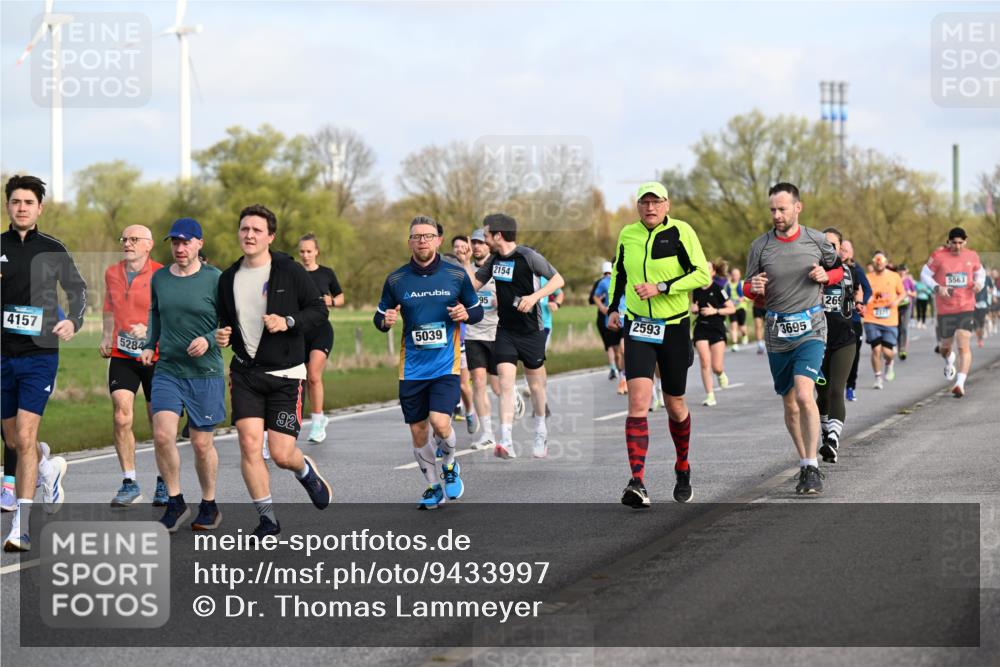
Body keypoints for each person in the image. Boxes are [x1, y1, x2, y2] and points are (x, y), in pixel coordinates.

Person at [215, 205, 333, 536]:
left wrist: (288, 321)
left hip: (286, 375)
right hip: (245, 374)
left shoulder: (289, 271)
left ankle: (304, 469)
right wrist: (222, 334)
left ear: (270, 236)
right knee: (249, 445)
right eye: (244, 229)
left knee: (281, 455)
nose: (249, 235)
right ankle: (267, 519)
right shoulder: (228, 278)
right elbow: (225, 321)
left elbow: (318, 310)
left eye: (256, 230)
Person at [608, 182, 710, 508]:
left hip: (674, 327)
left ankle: (682, 465)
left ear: (667, 205)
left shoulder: (681, 231)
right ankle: (637, 481)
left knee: (674, 403)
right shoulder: (628, 234)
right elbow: (619, 274)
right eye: (645, 202)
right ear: (638, 206)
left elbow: (702, 275)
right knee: (638, 402)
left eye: (656, 202)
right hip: (638, 326)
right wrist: (613, 308)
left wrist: (663, 287)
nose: (650, 208)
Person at [1, 175, 86, 552]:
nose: (22, 208)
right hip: (3, 356)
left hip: (39, 355)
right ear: (8, 206)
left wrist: (74, 321)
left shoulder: (53, 248)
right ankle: (47, 470)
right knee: (13, 440)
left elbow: (78, 290)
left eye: (28, 202)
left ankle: (21, 526)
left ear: (40, 208)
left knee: (24, 436)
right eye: (15, 201)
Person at [375, 216, 483, 508]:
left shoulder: (456, 275)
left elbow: (476, 311)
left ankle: (449, 464)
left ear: (438, 240)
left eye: (428, 236)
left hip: (445, 365)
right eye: (416, 236)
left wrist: (466, 314)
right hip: (411, 368)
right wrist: (385, 321)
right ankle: (433, 487)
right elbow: (379, 316)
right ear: (409, 241)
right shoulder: (396, 280)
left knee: (440, 422)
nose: (422, 241)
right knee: (418, 430)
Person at [744, 183, 843, 496]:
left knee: (804, 394)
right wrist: (752, 288)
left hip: (811, 327)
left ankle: (812, 466)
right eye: (772, 210)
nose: (776, 215)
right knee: (789, 402)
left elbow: (839, 270)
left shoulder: (817, 240)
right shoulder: (760, 246)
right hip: (777, 331)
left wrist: (827, 276)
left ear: (797, 208)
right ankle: (804, 460)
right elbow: (746, 287)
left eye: (782, 209)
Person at [139, 218, 225, 533]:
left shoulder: (215, 278)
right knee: (163, 435)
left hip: (205, 372)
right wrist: (149, 345)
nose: (179, 248)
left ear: (199, 243)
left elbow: (229, 323)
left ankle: (209, 503)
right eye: (175, 242)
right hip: (168, 369)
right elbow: (155, 314)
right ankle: (175, 502)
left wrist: (209, 338)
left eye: (186, 242)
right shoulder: (160, 278)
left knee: (201, 444)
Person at [469, 214, 564, 459]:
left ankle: (540, 431)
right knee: (505, 382)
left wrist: (534, 298)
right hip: (505, 330)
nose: (484, 240)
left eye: (486, 235)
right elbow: (473, 285)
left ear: (498, 235)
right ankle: (506, 440)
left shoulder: (528, 256)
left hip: (532, 331)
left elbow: (558, 280)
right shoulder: (493, 260)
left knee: (536, 386)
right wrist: (461, 265)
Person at [100, 225, 168, 507]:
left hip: (156, 356)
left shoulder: (162, 274)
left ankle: (165, 482)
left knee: (159, 423)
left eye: (134, 239)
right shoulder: (112, 273)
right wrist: (106, 335)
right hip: (123, 353)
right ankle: (129, 482)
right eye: (124, 239)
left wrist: (150, 330)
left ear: (148, 245)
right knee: (121, 415)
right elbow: (109, 307)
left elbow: (172, 313)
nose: (127, 243)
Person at [921, 227, 986, 397]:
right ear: (948, 242)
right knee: (945, 347)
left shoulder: (972, 255)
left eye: (960, 243)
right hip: (945, 308)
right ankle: (949, 360)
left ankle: (960, 383)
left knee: (963, 343)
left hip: (966, 306)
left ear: (965, 241)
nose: (957, 246)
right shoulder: (938, 256)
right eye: (954, 243)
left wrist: (979, 283)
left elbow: (981, 273)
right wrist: (937, 287)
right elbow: (924, 275)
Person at [816, 228, 860, 464]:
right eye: (824, 244)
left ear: (840, 248)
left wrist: (859, 303)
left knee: (836, 390)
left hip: (844, 339)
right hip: (817, 341)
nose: (828, 249)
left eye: (833, 245)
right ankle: (826, 434)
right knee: (822, 394)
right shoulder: (811, 271)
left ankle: (833, 440)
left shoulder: (851, 271)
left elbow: (861, 291)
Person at [297, 233, 344, 443]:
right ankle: (294, 421)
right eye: (302, 251)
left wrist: (331, 301)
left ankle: (317, 422)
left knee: (313, 376)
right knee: (300, 379)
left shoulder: (326, 273)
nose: (305, 255)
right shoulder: (295, 273)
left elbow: (340, 297)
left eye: (309, 251)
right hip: (299, 332)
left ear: (316, 251)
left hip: (321, 331)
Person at [465, 228, 504, 450]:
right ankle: (488, 433)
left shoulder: (499, 269)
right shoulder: (466, 271)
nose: (477, 246)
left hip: (497, 333)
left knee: (499, 387)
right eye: (474, 243)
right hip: (473, 334)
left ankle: (513, 394)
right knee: (479, 382)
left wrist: (502, 300)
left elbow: (516, 296)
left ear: (489, 245)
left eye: (481, 242)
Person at [691, 260, 735, 407]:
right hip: (701, 327)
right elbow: (695, 306)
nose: (705, 269)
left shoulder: (718, 289)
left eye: (708, 267)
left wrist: (715, 311)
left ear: (713, 272)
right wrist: (694, 309)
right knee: (704, 362)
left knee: (716, 366)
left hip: (717, 328)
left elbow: (731, 309)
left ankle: (720, 373)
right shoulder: (696, 289)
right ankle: (710, 395)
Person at [863, 252, 904, 390]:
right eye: (876, 261)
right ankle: (878, 377)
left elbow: (902, 293)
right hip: (871, 317)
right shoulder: (867, 278)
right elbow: (861, 294)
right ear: (873, 263)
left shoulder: (894, 276)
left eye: (881, 261)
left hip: (890, 319)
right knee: (876, 349)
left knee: (887, 352)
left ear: (886, 262)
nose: (879, 264)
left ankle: (889, 362)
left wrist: (896, 302)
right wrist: (864, 300)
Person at [840, 239, 872, 402]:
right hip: (835, 319)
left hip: (853, 318)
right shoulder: (830, 267)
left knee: (853, 355)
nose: (842, 252)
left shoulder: (856, 269)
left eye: (846, 250)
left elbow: (868, 290)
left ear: (851, 253)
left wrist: (860, 303)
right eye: (840, 249)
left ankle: (850, 386)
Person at [591, 261, 624, 381]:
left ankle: (624, 374)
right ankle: (619, 372)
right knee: (616, 352)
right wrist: (603, 308)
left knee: (623, 349)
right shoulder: (603, 282)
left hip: (626, 318)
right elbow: (595, 297)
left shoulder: (626, 278)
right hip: (612, 319)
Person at [727, 266, 749, 351]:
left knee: (741, 326)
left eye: (736, 275)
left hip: (741, 307)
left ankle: (744, 335)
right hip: (731, 308)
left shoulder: (743, 284)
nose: (735, 276)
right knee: (733, 325)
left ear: (739, 275)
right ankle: (734, 344)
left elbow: (749, 296)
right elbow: (724, 295)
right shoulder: (727, 285)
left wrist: (742, 299)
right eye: (733, 275)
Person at [897, 265, 916, 359]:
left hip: (907, 306)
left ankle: (903, 349)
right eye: (900, 270)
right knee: (898, 328)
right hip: (896, 306)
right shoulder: (895, 280)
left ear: (906, 271)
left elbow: (915, 294)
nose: (901, 272)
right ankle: (899, 347)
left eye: (903, 270)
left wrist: (908, 293)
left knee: (904, 327)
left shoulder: (908, 281)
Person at [973, 270, 994, 348]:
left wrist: (989, 292)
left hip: (983, 303)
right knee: (975, 324)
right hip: (973, 303)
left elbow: (991, 287)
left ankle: (980, 339)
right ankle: (979, 338)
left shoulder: (987, 278)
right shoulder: (971, 277)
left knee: (981, 323)